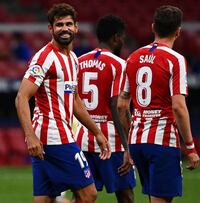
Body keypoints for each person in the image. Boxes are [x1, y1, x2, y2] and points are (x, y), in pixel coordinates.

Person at [15, 3, 111, 203]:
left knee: (44, 198)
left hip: (54, 134)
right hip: (52, 135)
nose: (64, 28)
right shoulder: (44, 58)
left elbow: (74, 100)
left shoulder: (73, 58)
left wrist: (97, 132)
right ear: (50, 28)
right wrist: (30, 137)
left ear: (76, 27)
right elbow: (21, 97)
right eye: (59, 25)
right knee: (88, 193)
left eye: (69, 24)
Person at [118, 5, 200, 203]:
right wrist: (190, 147)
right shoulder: (176, 59)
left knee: (152, 197)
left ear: (153, 27)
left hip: (137, 141)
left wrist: (128, 144)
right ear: (178, 31)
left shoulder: (132, 58)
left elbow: (121, 105)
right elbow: (179, 106)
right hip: (162, 142)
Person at [74, 15, 135, 203]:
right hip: (112, 142)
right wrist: (127, 147)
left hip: (82, 138)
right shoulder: (120, 65)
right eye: (122, 37)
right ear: (116, 37)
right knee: (125, 196)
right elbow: (118, 106)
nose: (123, 41)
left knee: (83, 197)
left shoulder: (78, 61)